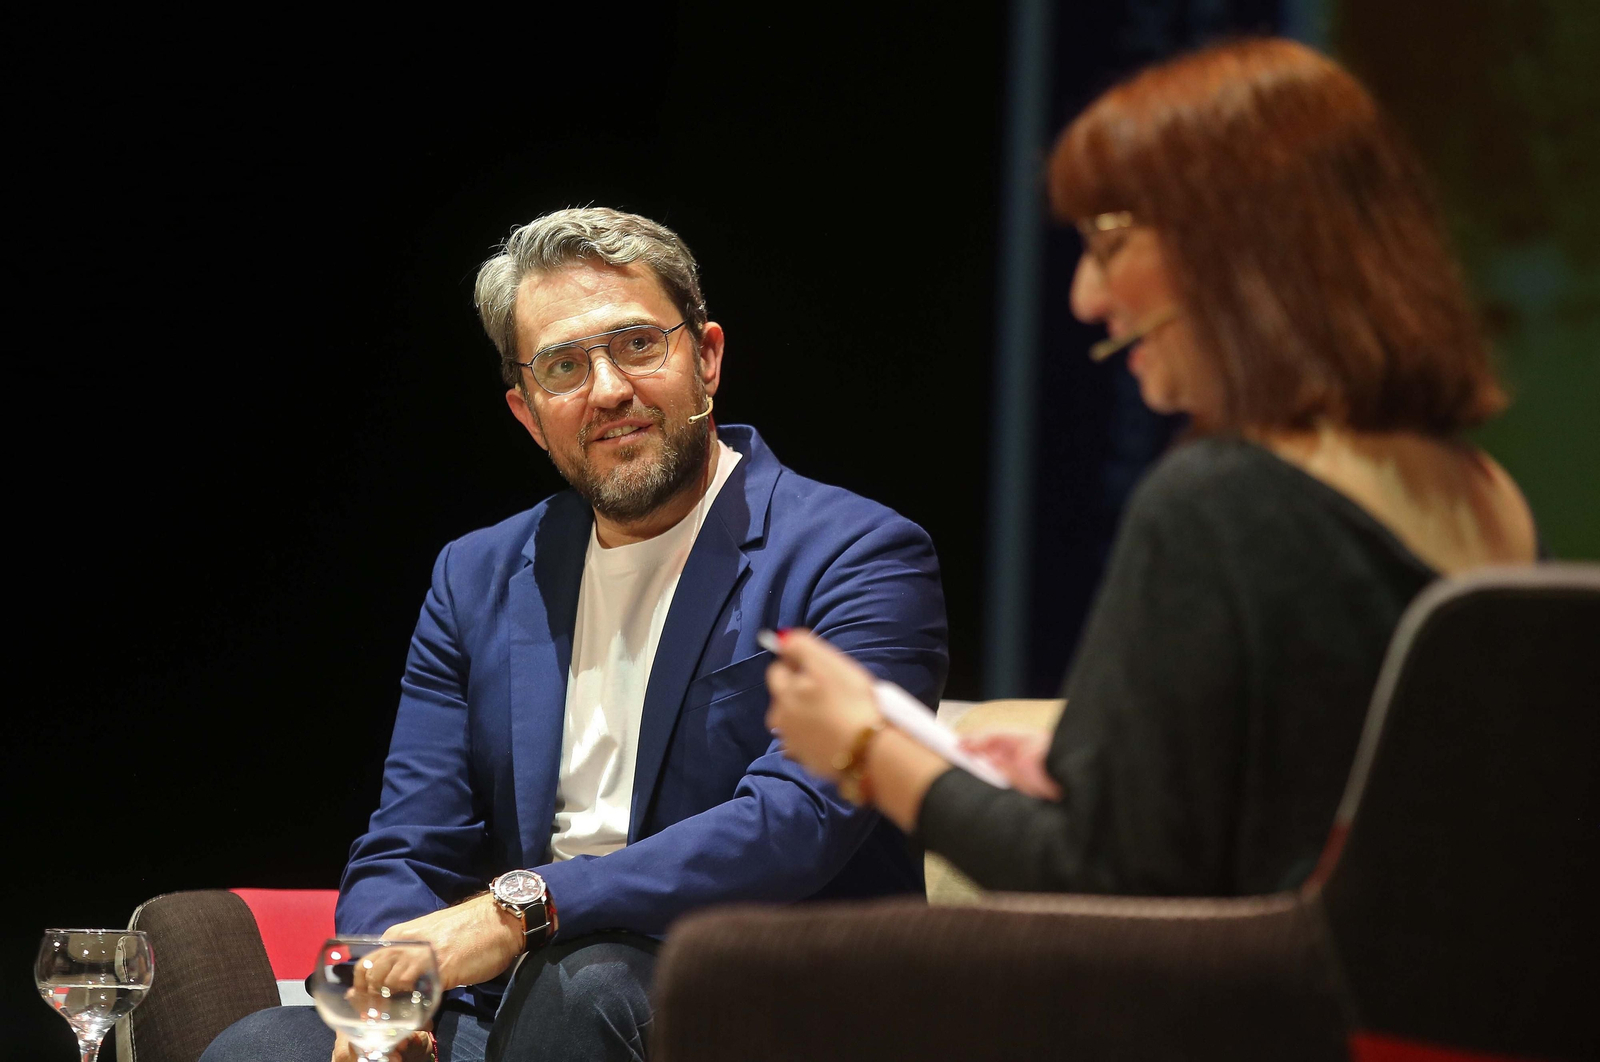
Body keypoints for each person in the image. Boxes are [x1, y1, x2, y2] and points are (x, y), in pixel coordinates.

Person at [765, 38, 1536, 899]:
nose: (1087, 299)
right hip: (1413, 1017)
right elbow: (1306, 793)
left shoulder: (1219, 497)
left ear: (1239, 240)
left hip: (1256, 1009)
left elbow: (1100, 877)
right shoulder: (1488, 496)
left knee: (725, 974)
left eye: (1109, 242)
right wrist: (1098, 766)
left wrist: (869, 753)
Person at [202, 208, 947, 1062]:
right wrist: (386, 988)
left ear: (706, 359)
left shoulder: (858, 554)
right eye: (564, 367)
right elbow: (412, 839)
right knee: (259, 1047)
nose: (607, 390)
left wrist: (524, 907)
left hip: (758, 1005)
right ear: (526, 411)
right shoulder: (476, 575)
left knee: (583, 988)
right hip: (526, 1002)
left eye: (637, 345)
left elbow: (795, 822)